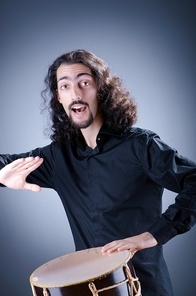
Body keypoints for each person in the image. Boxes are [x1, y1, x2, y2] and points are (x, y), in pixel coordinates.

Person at [0, 49, 196, 296]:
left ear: (101, 90)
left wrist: (154, 235)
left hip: (147, 288)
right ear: (58, 98)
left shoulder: (140, 145)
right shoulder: (57, 157)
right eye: (65, 86)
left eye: (84, 83)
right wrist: (2, 175)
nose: (75, 94)